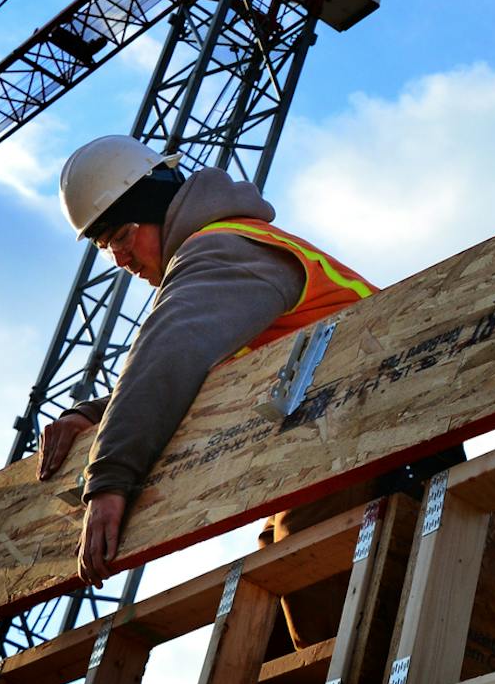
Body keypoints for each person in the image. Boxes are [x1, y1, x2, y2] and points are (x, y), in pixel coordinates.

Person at [35, 135, 395, 647]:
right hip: (335, 441)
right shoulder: (222, 266)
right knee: (268, 611)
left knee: (309, 595)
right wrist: (93, 413)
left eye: (122, 235)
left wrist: (110, 478)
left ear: (154, 209)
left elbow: (168, 355)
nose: (119, 259)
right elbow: (187, 363)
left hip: (370, 430)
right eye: (104, 247)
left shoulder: (221, 248)